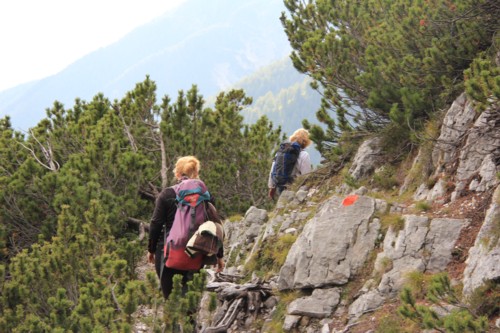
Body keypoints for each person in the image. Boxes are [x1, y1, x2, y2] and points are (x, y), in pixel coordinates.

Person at [147, 155, 224, 299]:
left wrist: (151, 249)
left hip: (168, 252)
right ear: (196, 174)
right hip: (196, 251)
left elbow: (156, 224)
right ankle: (191, 319)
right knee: (190, 297)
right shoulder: (205, 196)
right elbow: (215, 226)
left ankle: (173, 321)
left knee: (170, 299)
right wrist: (219, 256)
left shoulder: (167, 194)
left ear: (177, 173)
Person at [268, 128, 312, 199]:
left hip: (281, 185)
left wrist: (272, 187)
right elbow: (306, 175)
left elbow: (272, 170)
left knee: (284, 207)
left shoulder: (281, 152)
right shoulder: (304, 155)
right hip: (295, 187)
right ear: (306, 142)